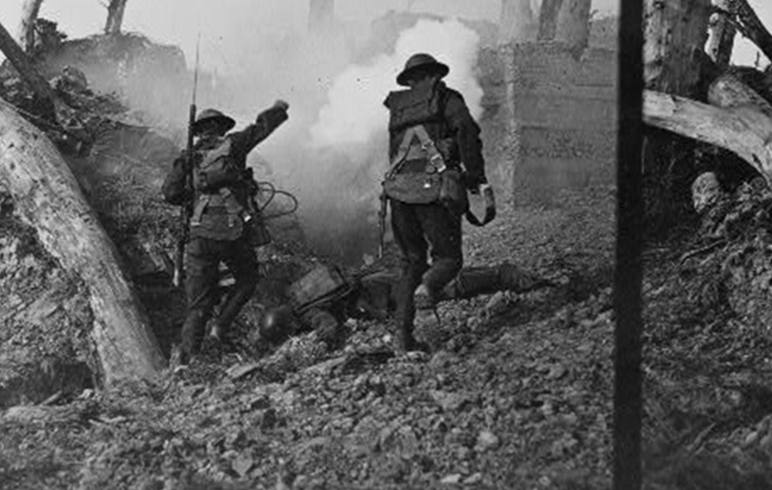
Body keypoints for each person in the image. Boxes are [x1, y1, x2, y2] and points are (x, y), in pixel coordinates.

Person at [163, 100, 289, 363]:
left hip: (200, 234)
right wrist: (279, 109)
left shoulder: (188, 156)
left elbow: (171, 194)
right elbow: (261, 128)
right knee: (247, 278)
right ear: (220, 129)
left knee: (197, 305)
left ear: (198, 132)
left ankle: (187, 364)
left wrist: (194, 196)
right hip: (234, 231)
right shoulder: (234, 144)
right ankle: (220, 326)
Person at [379, 53, 486, 354]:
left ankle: (403, 339)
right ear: (433, 75)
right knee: (449, 259)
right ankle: (428, 289)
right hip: (433, 190)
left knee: (411, 262)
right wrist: (474, 174)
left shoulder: (397, 107)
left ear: (411, 79)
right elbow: (467, 131)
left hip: (398, 191)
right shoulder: (445, 97)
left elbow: (394, 153)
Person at [258, 261, 547, 350]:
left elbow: (329, 328)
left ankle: (506, 275)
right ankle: (505, 276)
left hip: (382, 295)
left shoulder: (309, 313)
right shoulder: (299, 295)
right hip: (375, 281)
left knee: (440, 289)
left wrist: (319, 343)